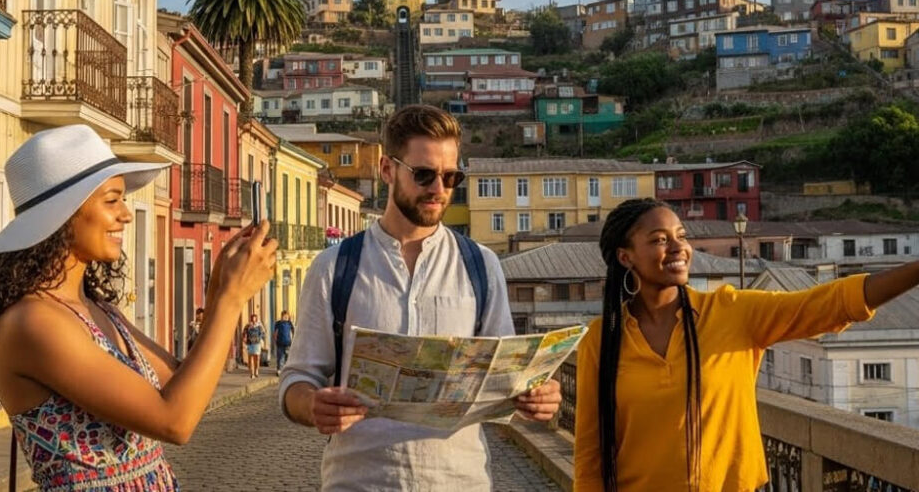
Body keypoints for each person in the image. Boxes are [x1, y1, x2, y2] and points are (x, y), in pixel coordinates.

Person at [0, 125, 277, 492]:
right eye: (112, 200)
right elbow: (175, 421)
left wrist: (220, 284)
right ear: (64, 214)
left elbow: (181, 386)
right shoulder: (33, 322)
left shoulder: (97, 308)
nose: (125, 214)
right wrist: (231, 299)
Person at [280, 104, 561, 491]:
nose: (439, 189)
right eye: (424, 174)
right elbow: (298, 378)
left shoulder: (482, 266)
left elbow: (511, 377)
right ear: (386, 170)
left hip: (461, 482)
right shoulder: (335, 266)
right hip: (360, 482)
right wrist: (311, 406)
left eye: (451, 177)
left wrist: (537, 397)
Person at [574, 198, 919, 491]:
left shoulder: (731, 313)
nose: (679, 247)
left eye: (681, 236)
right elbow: (591, 450)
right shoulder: (601, 340)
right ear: (625, 257)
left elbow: (828, 304)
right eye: (659, 240)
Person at [242, 313, 266, 378]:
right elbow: (244, 333)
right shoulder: (247, 326)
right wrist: (245, 338)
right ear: (251, 319)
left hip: (257, 344)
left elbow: (263, 334)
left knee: (257, 358)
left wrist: (260, 340)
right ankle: (252, 373)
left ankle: (256, 370)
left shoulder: (259, 326)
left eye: (255, 318)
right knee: (251, 358)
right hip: (250, 343)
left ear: (256, 319)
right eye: (252, 318)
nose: (253, 320)